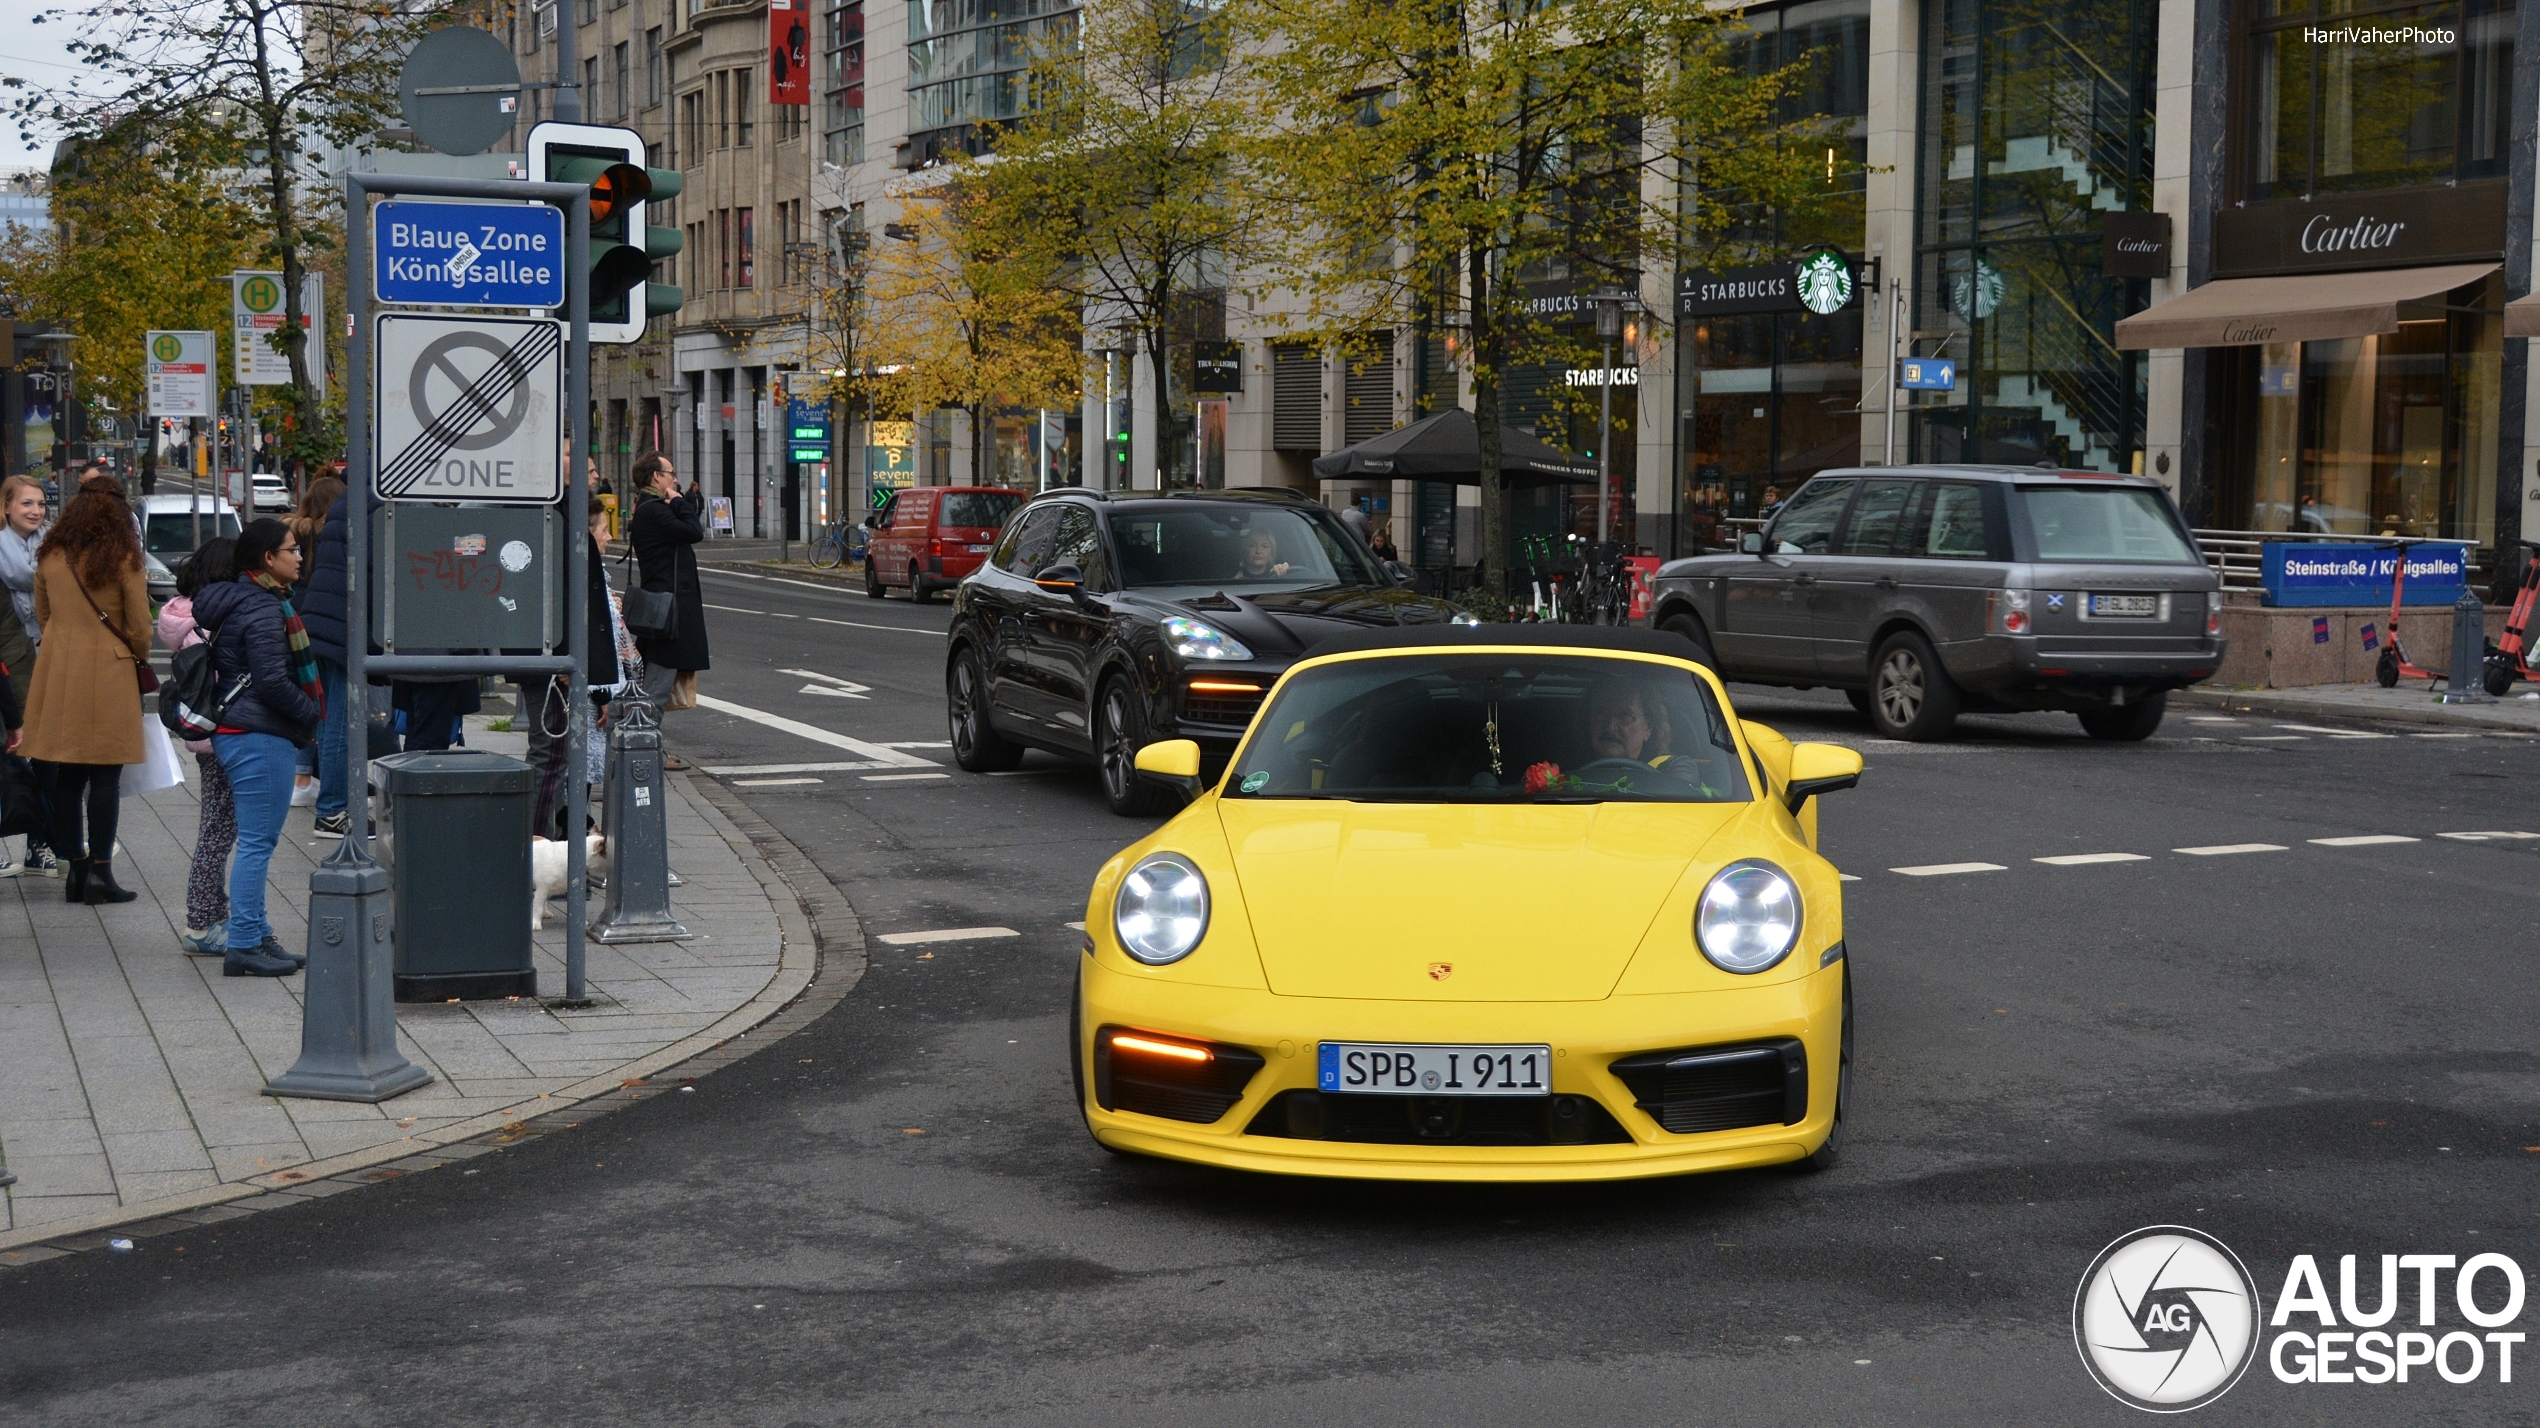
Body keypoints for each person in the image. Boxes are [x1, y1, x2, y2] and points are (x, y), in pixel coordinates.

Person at [192, 518, 316, 977]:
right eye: (291, 550)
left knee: (254, 841)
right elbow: (271, 681)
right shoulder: (264, 607)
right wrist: (311, 714)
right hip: (258, 735)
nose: (299, 557)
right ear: (268, 559)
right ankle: (244, 943)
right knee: (257, 844)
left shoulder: (247, 598)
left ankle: (258, 934)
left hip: (240, 732)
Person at [20, 473, 152, 904]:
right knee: (106, 776)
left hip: (57, 669)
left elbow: (43, 612)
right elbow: (139, 626)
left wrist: (63, 643)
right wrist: (135, 655)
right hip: (109, 671)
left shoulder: (51, 553)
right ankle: (101, 873)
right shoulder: (123, 557)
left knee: (66, 775)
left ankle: (74, 869)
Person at [517, 480, 623, 840]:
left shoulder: (561, 524)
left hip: (558, 666)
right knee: (552, 755)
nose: (609, 538)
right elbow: (575, 613)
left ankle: (555, 842)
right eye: (604, 530)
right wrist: (573, 667)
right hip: (555, 669)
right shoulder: (559, 530)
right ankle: (536, 847)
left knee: (557, 760)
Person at [159, 538, 240, 955]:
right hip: (224, 733)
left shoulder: (183, 616)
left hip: (205, 735)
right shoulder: (211, 621)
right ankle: (202, 921)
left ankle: (212, 915)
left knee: (215, 824)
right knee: (218, 830)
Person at [628, 451, 708, 771]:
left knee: (656, 683)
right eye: (670, 473)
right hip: (666, 613)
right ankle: (644, 750)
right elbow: (693, 531)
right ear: (655, 477)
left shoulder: (649, 510)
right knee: (657, 688)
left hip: (664, 607)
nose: (675, 479)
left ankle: (645, 746)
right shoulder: (654, 511)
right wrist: (678, 501)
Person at [0, 473, 60, 877]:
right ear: (6, 507)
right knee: (18, 755)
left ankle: (43, 841)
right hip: (12, 664)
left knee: (46, 755)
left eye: (40, 503)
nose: (36, 511)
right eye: (26, 503)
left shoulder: (51, 548)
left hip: (49, 656)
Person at [283, 476, 343, 809]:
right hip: (330, 626)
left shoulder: (293, 535)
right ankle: (326, 792)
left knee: (307, 702)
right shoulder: (336, 532)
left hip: (296, 622)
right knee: (331, 710)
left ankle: (300, 778)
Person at [1586, 678, 1674, 768]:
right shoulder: (1572, 762)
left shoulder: (1670, 767)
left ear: (1648, 727)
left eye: (1625, 717)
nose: (1610, 727)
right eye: (1602, 714)